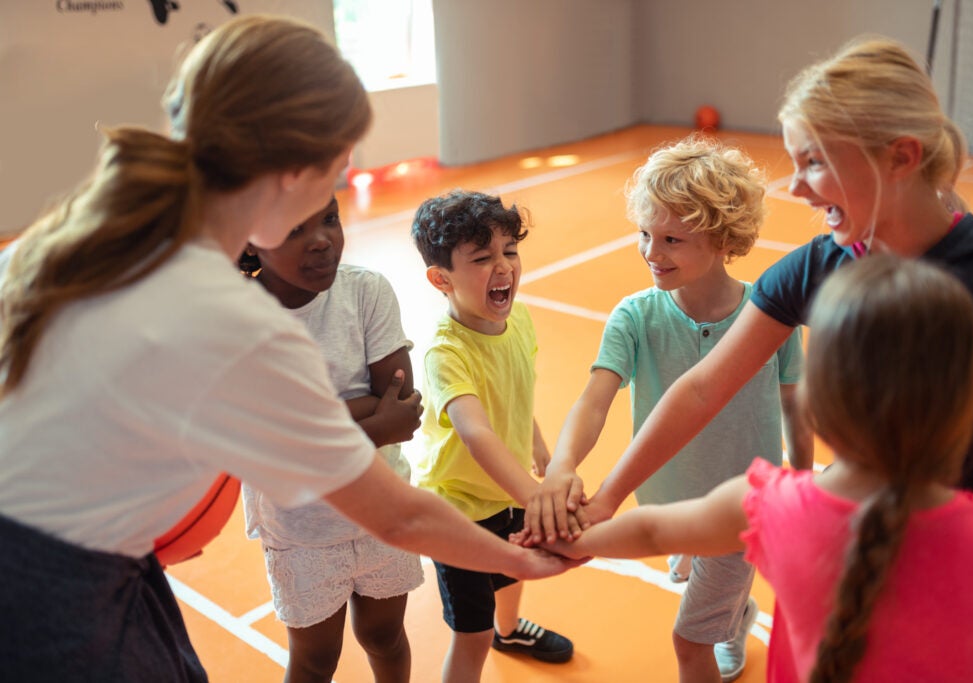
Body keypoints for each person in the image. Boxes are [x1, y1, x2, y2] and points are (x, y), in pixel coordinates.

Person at [0, 16, 574, 682]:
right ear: (295, 169)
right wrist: (523, 557)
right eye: (341, 161)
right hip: (53, 595)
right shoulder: (236, 326)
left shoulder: (76, 239)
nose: (346, 174)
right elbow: (397, 510)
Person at [526, 35, 973, 534]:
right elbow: (702, 390)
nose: (795, 187)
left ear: (900, 158)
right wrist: (605, 500)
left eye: (815, 162)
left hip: (971, 540)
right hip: (870, 538)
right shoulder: (814, 269)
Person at [535, 255, 973, 683]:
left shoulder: (771, 503)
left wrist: (562, 538)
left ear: (824, 399)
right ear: (969, 408)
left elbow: (653, 532)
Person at [527, 136, 812, 683]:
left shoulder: (768, 316)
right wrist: (563, 465)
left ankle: (721, 622)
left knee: (689, 639)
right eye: (645, 235)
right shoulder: (635, 316)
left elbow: (795, 404)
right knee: (698, 587)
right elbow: (594, 400)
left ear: (724, 239)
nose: (651, 253)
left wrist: (798, 484)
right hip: (667, 502)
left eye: (673, 239)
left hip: (745, 505)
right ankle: (735, 618)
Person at [238, 195, 425, 683]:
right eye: (295, 229)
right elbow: (274, 450)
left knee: (385, 637)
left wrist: (304, 430)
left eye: (329, 219)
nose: (321, 239)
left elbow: (401, 407)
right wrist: (373, 422)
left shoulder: (366, 291)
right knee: (315, 660)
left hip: (383, 508)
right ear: (252, 242)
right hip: (302, 528)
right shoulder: (239, 321)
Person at [410, 190, 576, 683]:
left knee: (513, 570)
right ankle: (491, 636)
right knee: (471, 634)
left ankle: (511, 631)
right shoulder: (446, 353)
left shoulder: (516, 319)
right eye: (482, 258)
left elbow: (515, 390)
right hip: (457, 509)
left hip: (507, 489)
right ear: (441, 279)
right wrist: (537, 495)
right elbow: (477, 434)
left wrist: (537, 442)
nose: (503, 267)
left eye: (510, 251)